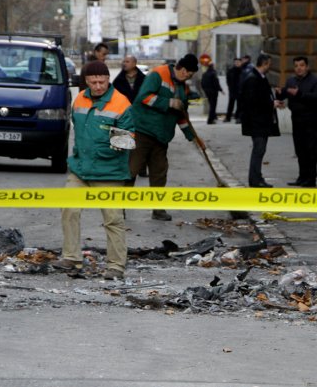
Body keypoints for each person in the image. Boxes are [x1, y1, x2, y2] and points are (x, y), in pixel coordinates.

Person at [54, 60, 133, 280]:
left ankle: (116, 266)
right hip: (80, 169)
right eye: (93, 82)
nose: (98, 86)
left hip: (109, 172)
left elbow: (128, 140)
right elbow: (78, 129)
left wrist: (112, 144)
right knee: (69, 209)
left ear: (108, 79)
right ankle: (71, 257)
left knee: (113, 219)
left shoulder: (121, 103)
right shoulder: (80, 99)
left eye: (102, 81)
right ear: (86, 82)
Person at [129, 54, 204, 221]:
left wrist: (193, 137)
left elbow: (182, 117)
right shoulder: (158, 75)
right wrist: (169, 102)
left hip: (161, 137)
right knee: (132, 170)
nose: (189, 77)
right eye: (189, 74)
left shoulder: (183, 89)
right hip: (142, 131)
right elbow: (143, 98)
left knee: (159, 173)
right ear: (183, 70)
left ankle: (158, 209)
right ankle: (119, 206)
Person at [276, 56, 317, 188]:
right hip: (296, 118)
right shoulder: (291, 80)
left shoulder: (316, 81)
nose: (299, 68)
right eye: (296, 66)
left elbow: (316, 97)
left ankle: (311, 178)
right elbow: (285, 94)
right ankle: (302, 177)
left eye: (301, 65)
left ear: (307, 67)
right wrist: (279, 93)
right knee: (299, 149)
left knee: (310, 148)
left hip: (310, 118)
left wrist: (299, 93)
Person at [240, 54, 280, 188]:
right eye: (269, 64)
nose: (270, 66)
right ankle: (255, 179)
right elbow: (253, 102)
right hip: (257, 123)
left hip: (259, 122)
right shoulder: (253, 78)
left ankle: (257, 177)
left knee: (259, 151)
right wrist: (271, 104)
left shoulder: (258, 77)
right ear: (264, 63)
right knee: (258, 150)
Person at [200, 57, 223, 124]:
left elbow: (202, 83)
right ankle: (210, 120)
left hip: (207, 92)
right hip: (213, 92)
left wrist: (205, 90)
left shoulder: (205, 74)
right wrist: (220, 90)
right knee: (213, 105)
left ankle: (214, 116)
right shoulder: (213, 73)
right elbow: (216, 83)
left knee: (211, 104)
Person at [225, 58, 241, 123]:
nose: (237, 63)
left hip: (240, 91)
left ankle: (238, 117)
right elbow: (228, 79)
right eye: (236, 62)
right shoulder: (231, 71)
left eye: (238, 62)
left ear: (240, 63)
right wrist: (230, 87)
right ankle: (228, 117)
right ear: (234, 63)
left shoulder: (242, 70)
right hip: (232, 90)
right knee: (230, 104)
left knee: (239, 105)